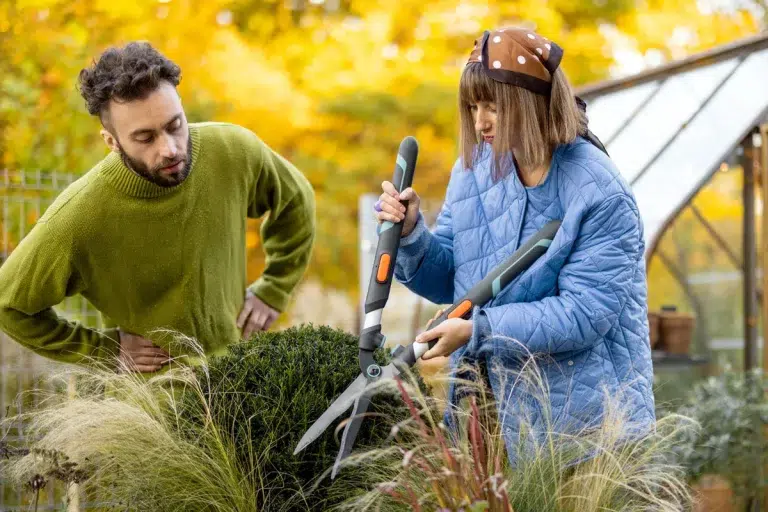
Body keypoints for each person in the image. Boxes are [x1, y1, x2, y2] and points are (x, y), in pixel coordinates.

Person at [374, 27, 655, 457]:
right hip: (484, 415)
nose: (479, 122)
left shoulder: (599, 191)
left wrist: (479, 330)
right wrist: (412, 233)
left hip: (585, 434)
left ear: (530, 101)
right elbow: (452, 278)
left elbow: (584, 313)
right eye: (472, 107)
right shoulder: (472, 171)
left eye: (493, 106)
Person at [0, 42, 316, 373]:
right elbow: (10, 306)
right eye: (145, 138)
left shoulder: (232, 150)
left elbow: (296, 198)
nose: (169, 148)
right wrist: (106, 350)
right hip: (157, 408)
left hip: (241, 379)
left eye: (174, 125)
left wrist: (274, 288)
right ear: (112, 142)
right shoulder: (80, 216)